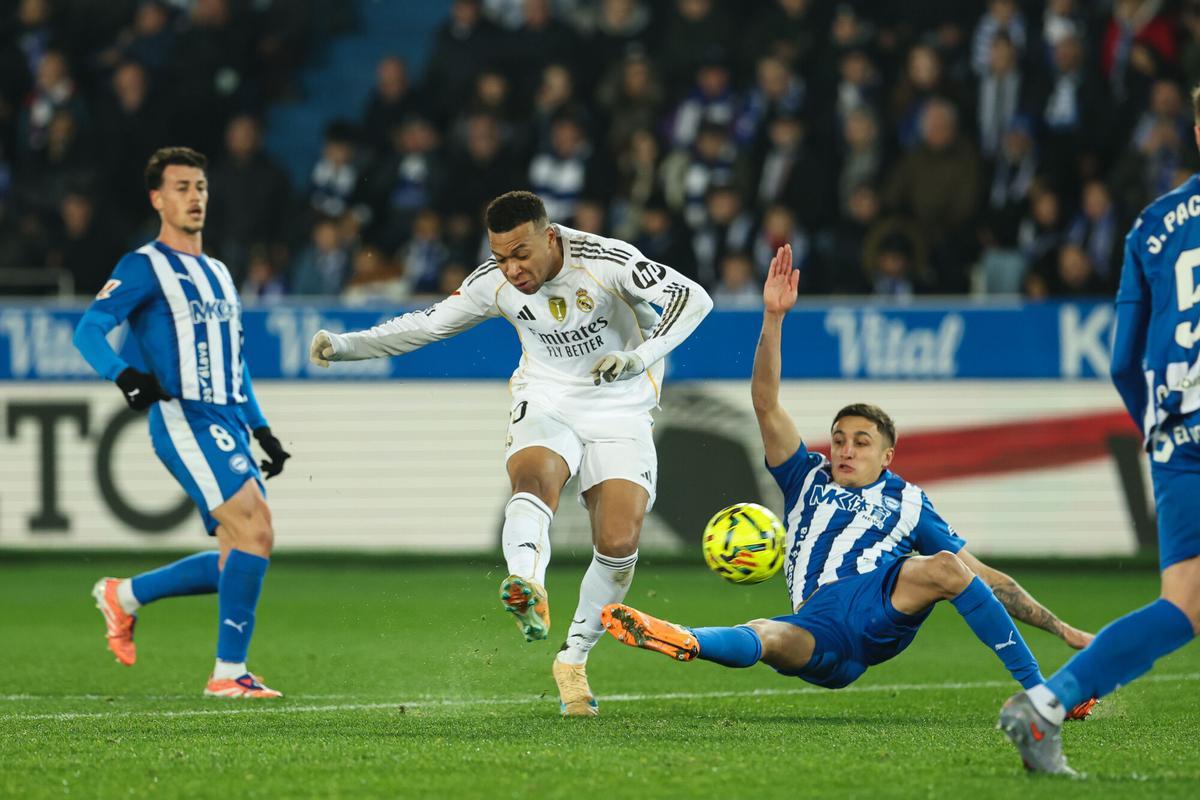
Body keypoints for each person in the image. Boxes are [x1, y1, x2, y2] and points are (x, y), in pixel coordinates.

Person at [601, 244, 1096, 710]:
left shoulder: (908, 501)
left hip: (877, 604)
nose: (845, 449)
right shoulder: (806, 479)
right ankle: (686, 639)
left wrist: (1062, 629)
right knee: (769, 636)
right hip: (822, 627)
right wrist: (773, 318)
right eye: (839, 438)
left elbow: (983, 578)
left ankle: (1042, 691)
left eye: (861, 442)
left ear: (888, 456)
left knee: (945, 565)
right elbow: (766, 404)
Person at [309, 190, 712, 715]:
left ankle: (572, 660)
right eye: (500, 257)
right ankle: (527, 582)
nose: (512, 269)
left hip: (620, 404)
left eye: (521, 254)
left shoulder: (605, 259)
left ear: (550, 237)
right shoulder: (492, 282)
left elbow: (694, 299)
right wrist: (347, 346)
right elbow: (427, 324)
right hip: (545, 397)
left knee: (618, 540)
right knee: (533, 481)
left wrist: (639, 357)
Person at [997, 87, 1200, 776]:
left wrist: (1160, 428)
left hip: (1174, 427)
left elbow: (1122, 360)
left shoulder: (1152, 223)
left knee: (1184, 604)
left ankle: (1048, 704)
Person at [72, 147, 291, 699]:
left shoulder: (218, 271)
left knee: (239, 551)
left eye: (200, 187)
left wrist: (260, 428)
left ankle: (124, 596)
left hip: (226, 418)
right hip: (182, 416)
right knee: (255, 528)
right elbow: (89, 331)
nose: (194, 198)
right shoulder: (143, 266)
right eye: (181, 188)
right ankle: (227, 674)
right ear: (157, 198)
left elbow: (233, 359)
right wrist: (124, 376)